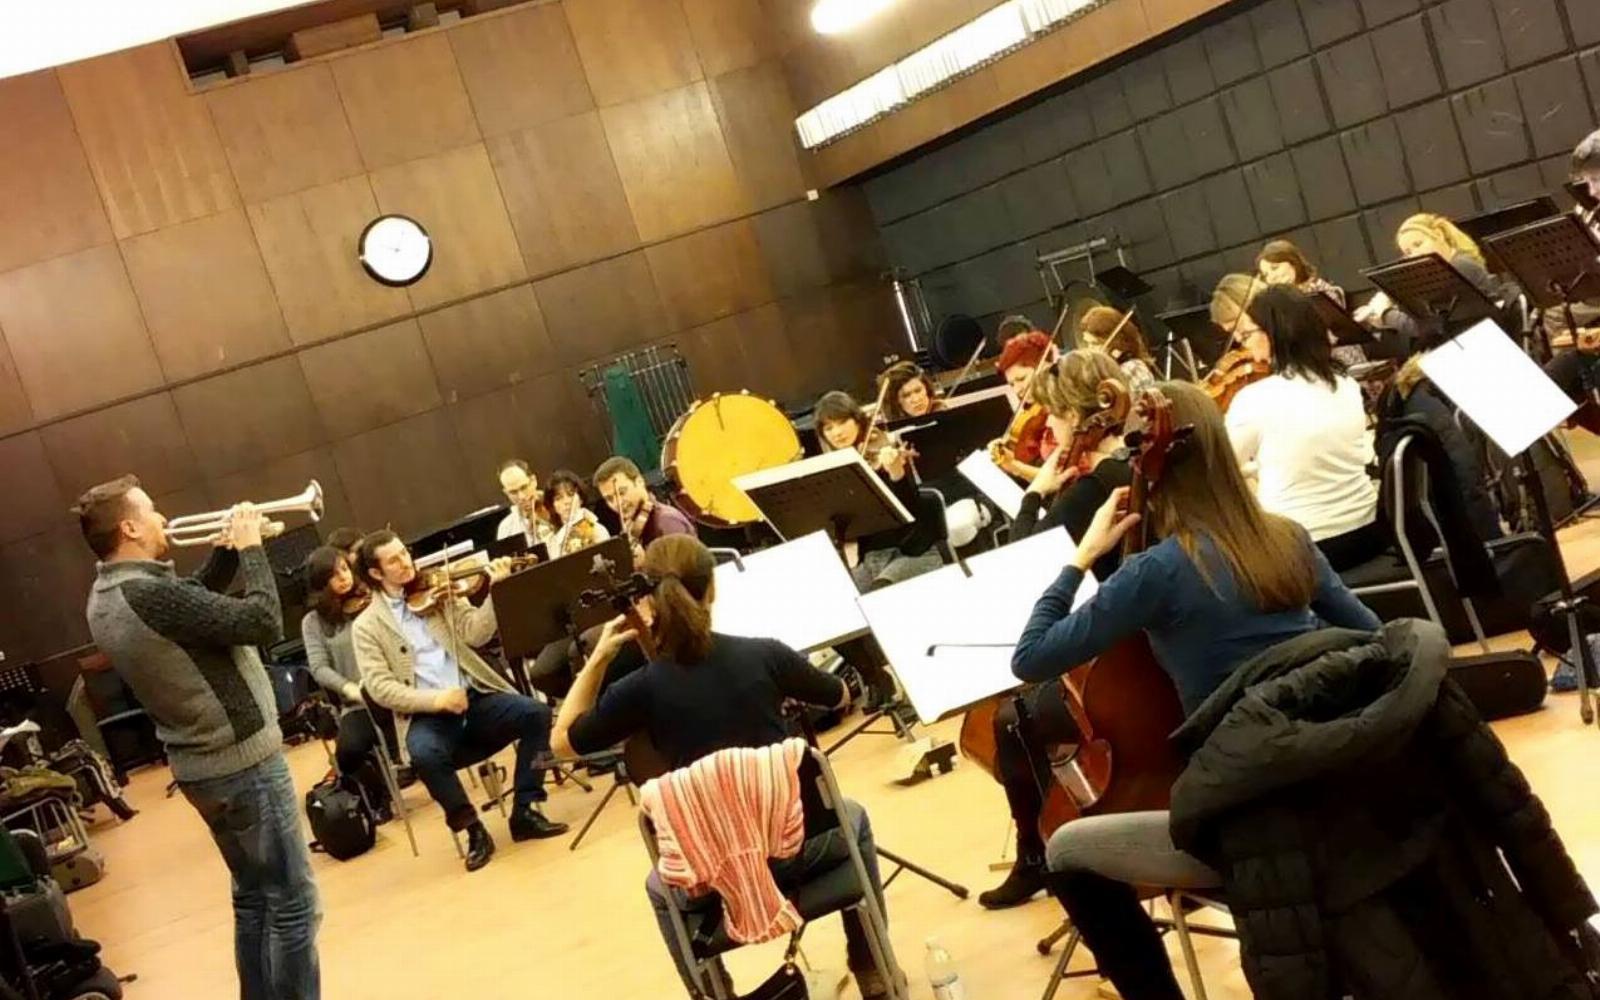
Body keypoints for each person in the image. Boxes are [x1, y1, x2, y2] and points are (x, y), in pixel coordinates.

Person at [1010, 382, 1381, 1000]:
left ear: (1151, 465)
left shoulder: (1156, 572)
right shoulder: (1286, 537)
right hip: (1338, 785)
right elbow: (1376, 638)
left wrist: (1082, 558)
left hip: (1244, 815)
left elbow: (1031, 657)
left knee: (1067, 852)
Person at [551, 536, 897, 999]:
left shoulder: (639, 689)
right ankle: (870, 964)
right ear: (711, 589)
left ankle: (713, 995)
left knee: (658, 888)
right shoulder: (765, 654)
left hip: (707, 874)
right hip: (798, 849)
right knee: (853, 818)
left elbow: (561, 742)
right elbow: (839, 695)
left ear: (650, 602)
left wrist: (598, 659)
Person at [77, 476, 320, 999]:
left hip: (203, 768)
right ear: (130, 528)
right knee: (294, 905)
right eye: (152, 511)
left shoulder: (107, 594)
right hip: (242, 766)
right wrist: (252, 550)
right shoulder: (147, 593)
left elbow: (187, 608)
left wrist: (225, 553)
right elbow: (262, 621)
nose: (163, 518)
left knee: (254, 901)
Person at [978, 350, 1134, 910]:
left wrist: (1034, 492)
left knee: (1011, 719)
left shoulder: (1093, 490)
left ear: (1076, 415)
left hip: (1114, 652)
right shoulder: (1135, 463)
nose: (1050, 425)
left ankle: (1038, 858)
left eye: (1055, 415)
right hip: (1140, 632)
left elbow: (1024, 561)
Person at [353, 530, 568, 872]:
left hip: (474, 697)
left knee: (537, 714)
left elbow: (476, 633)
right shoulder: (366, 626)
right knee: (424, 754)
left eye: (405, 553)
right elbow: (380, 687)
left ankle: (526, 809)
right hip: (427, 714)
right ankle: (472, 829)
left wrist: (495, 591)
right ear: (376, 573)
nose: (406, 562)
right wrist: (436, 699)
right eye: (394, 560)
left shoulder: (437, 591)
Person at [1225, 286, 1385, 571]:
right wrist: (1257, 467)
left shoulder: (1255, 398)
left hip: (1307, 547)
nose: (1242, 344)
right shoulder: (1346, 383)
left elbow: (1221, 466)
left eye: (1246, 334)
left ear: (1273, 334)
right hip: (1369, 530)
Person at [300, 545, 403, 818]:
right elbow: (319, 667)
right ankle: (381, 792)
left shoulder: (372, 599)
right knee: (347, 753)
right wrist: (348, 688)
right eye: (334, 575)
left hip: (394, 690)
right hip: (358, 701)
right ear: (321, 584)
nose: (344, 577)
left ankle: (404, 764)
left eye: (345, 569)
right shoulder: (314, 622)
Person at [1352, 213, 1503, 351]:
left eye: (1418, 244)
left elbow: (1430, 326)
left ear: (1438, 235)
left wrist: (1385, 315)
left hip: (1484, 348)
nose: (1415, 255)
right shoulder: (1443, 271)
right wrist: (1385, 301)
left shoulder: (1461, 266)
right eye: (1408, 253)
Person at [593, 456, 696, 564]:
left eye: (622, 492)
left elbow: (684, 569)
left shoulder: (666, 520)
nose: (617, 503)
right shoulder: (632, 524)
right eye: (609, 499)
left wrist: (646, 563)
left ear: (640, 482)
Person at [1078, 305, 1157, 391]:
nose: (1089, 350)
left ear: (1116, 343)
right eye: (1087, 344)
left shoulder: (1133, 368)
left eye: (1095, 344)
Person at [546, 469, 611, 557]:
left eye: (571, 494)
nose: (566, 502)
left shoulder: (597, 530)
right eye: (558, 498)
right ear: (553, 506)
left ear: (581, 499)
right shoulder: (553, 541)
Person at [495, 459, 555, 548]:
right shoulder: (506, 528)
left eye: (524, 487)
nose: (521, 496)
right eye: (513, 492)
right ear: (506, 493)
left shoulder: (559, 506)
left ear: (534, 481)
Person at [877, 360, 944, 420]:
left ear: (927, 389)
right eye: (906, 395)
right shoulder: (888, 427)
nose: (916, 399)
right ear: (896, 401)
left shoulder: (943, 411)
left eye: (918, 390)